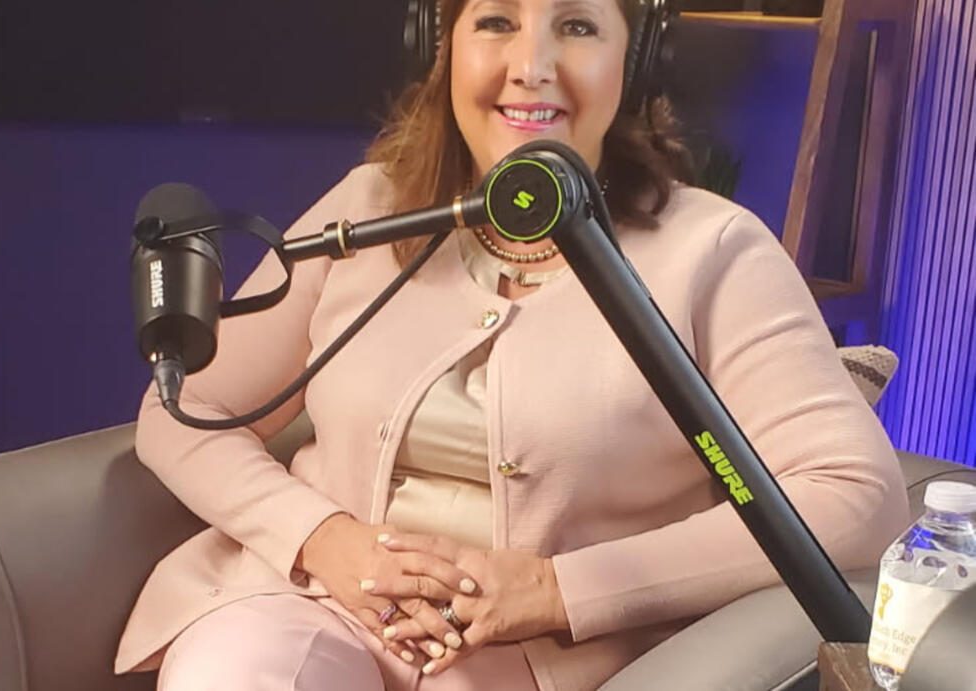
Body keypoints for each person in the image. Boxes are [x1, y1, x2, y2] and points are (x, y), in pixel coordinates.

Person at [115, 0, 910, 688]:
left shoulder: (715, 252)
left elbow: (854, 494)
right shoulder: (368, 209)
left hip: (551, 661)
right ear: (441, 46)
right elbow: (188, 407)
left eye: (577, 26)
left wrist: (555, 589)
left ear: (636, 56)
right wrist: (325, 541)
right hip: (313, 608)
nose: (531, 66)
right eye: (496, 21)